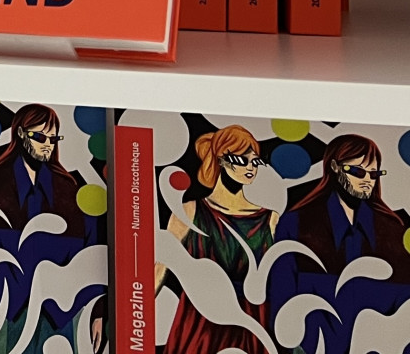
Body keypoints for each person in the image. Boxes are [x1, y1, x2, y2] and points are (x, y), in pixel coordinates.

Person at [0, 106, 104, 351]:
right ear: (20, 133)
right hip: (2, 304)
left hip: (58, 311)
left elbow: (90, 255)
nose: (48, 145)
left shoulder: (71, 190)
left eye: (53, 138)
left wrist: (97, 310)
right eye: (40, 137)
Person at [270, 134, 410, 353]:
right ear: (334, 167)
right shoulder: (296, 223)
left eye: (374, 173)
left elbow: (404, 306)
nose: (368, 180)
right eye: (358, 172)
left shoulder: (392, 229)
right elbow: (281, 298)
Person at [160, 126, 279, 354]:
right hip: (200, 322)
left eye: (255, 161)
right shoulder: (189, 211)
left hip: (252, 321)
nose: (250, 167)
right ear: (221, 159)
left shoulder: (270, 218)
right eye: (242, 159)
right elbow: (160, 269)